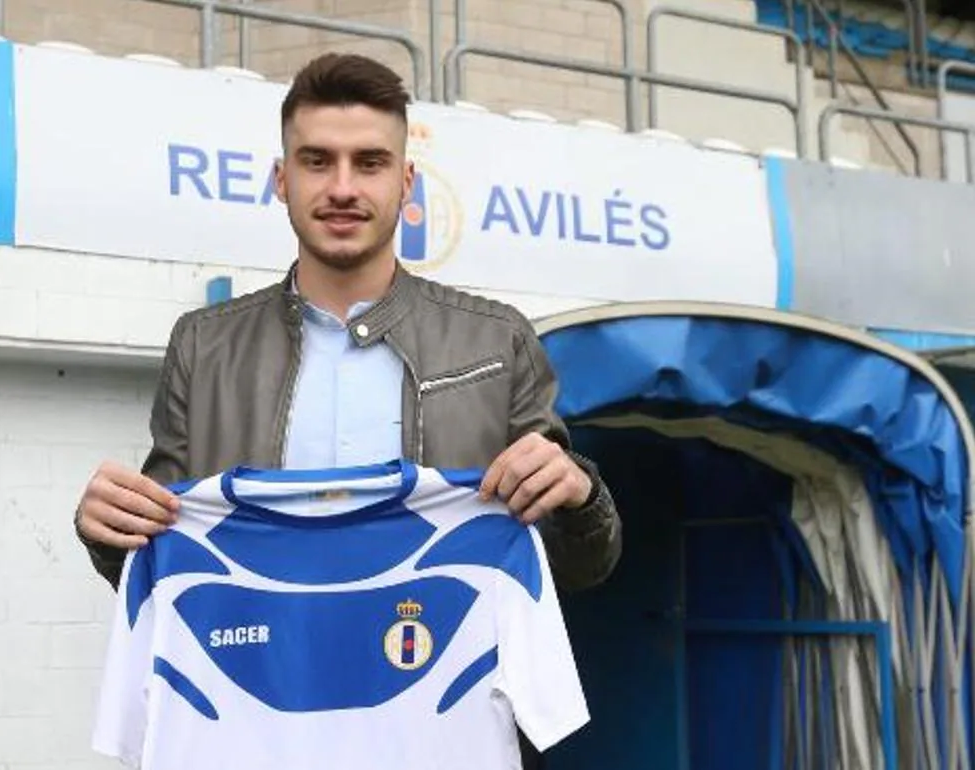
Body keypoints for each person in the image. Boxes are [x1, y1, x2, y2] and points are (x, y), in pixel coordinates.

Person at [75, 51, 622, 768]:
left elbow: (573, 568)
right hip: (261, 737)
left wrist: (579, 500)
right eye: (316, 161)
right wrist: (109, 533)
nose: (342, 187)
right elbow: (171, 571)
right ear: (281, 180)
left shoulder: (496, 341)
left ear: (405, 182)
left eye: (368, 163)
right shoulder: (204, 348)